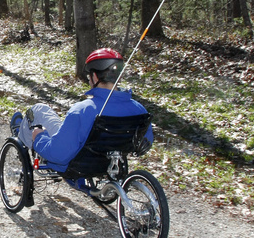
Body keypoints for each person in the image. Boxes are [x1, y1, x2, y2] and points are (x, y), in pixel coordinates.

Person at [10, 48, 153, 175]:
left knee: (39, 110)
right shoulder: (139, 110)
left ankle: (22, 135)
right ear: (119, 77)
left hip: (76, 164)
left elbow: (59, 154)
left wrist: (39, 138)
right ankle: (23, 131)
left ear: (94, 77)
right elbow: (144, 144)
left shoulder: (82, 110)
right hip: (110, 163)